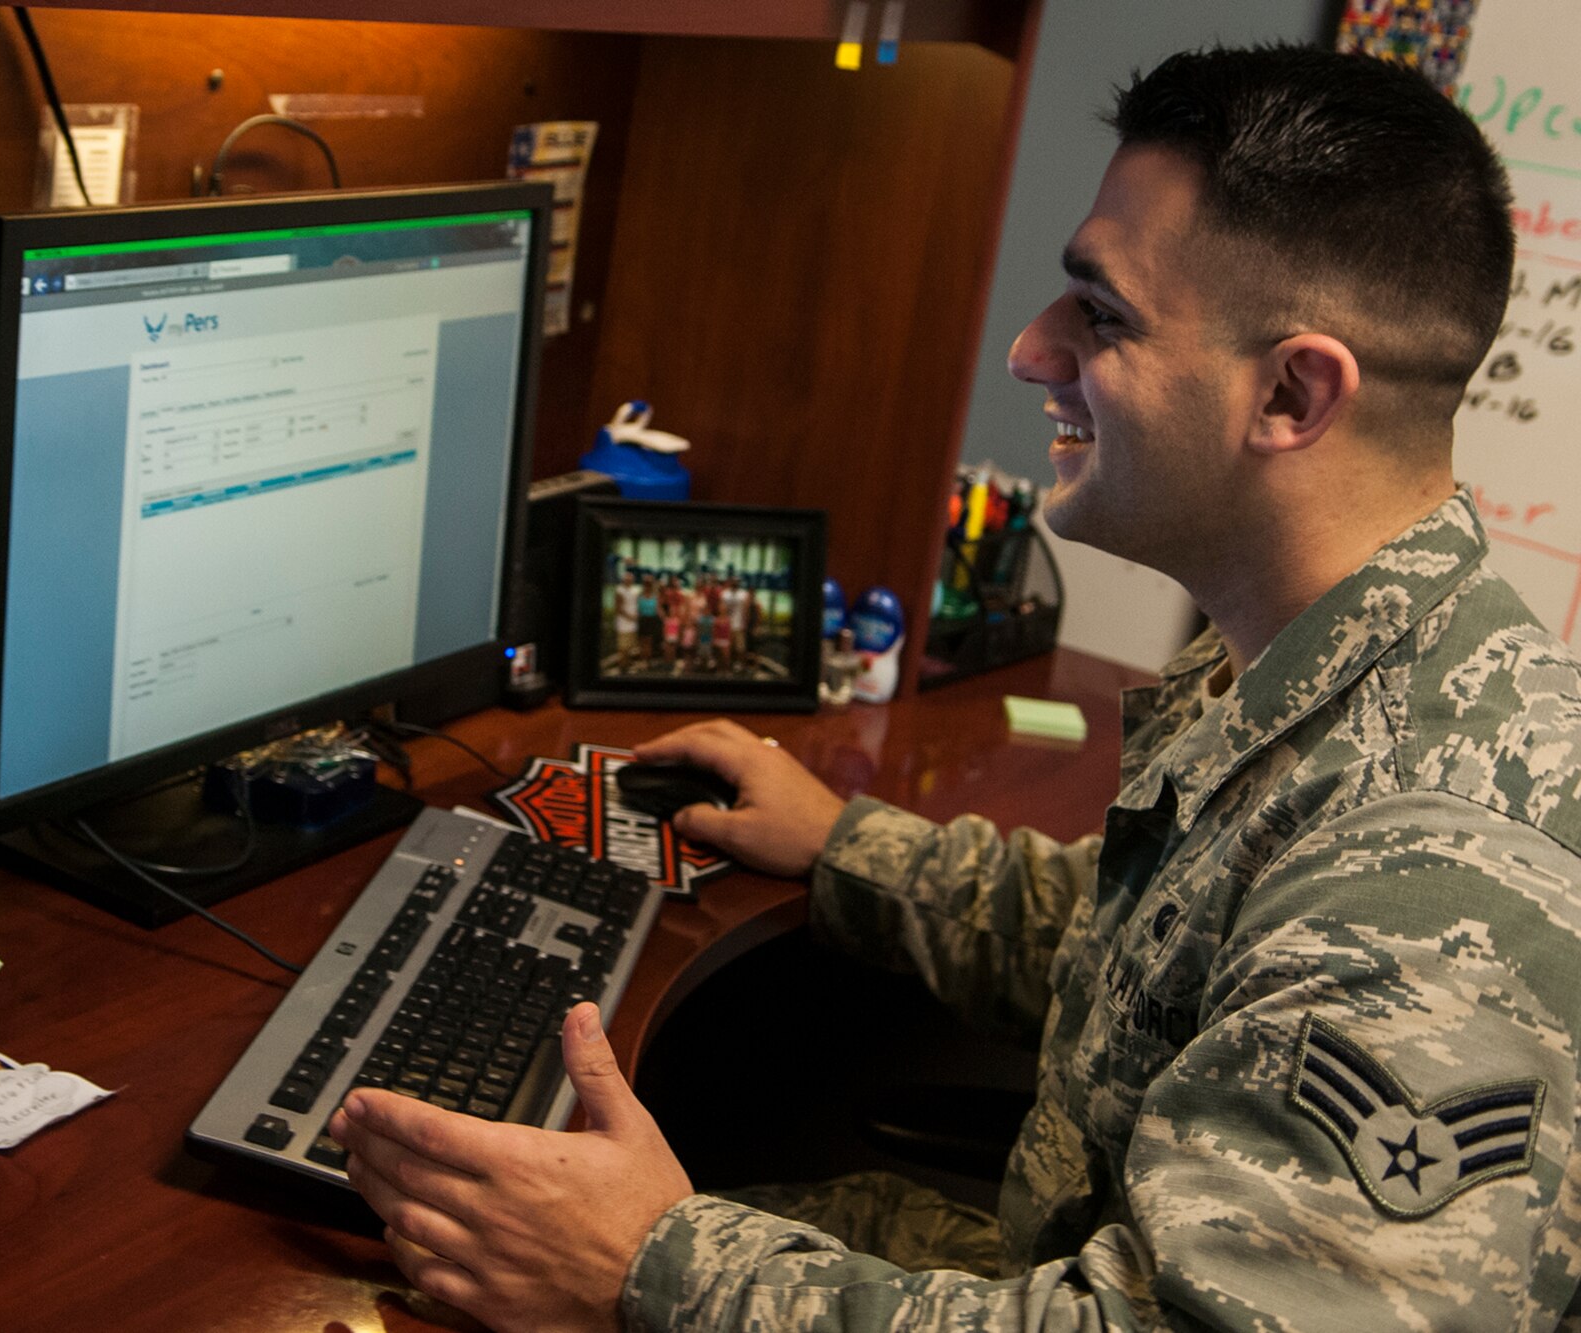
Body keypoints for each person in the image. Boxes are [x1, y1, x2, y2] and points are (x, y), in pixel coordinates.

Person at [330, 45, 1581, 1330]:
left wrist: (653, 1268)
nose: (1033, 353)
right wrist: (846, 846)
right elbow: (1148, 955)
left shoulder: (1434, 879)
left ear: (1290, 391)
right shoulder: (1328, 658)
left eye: (1099, 314)